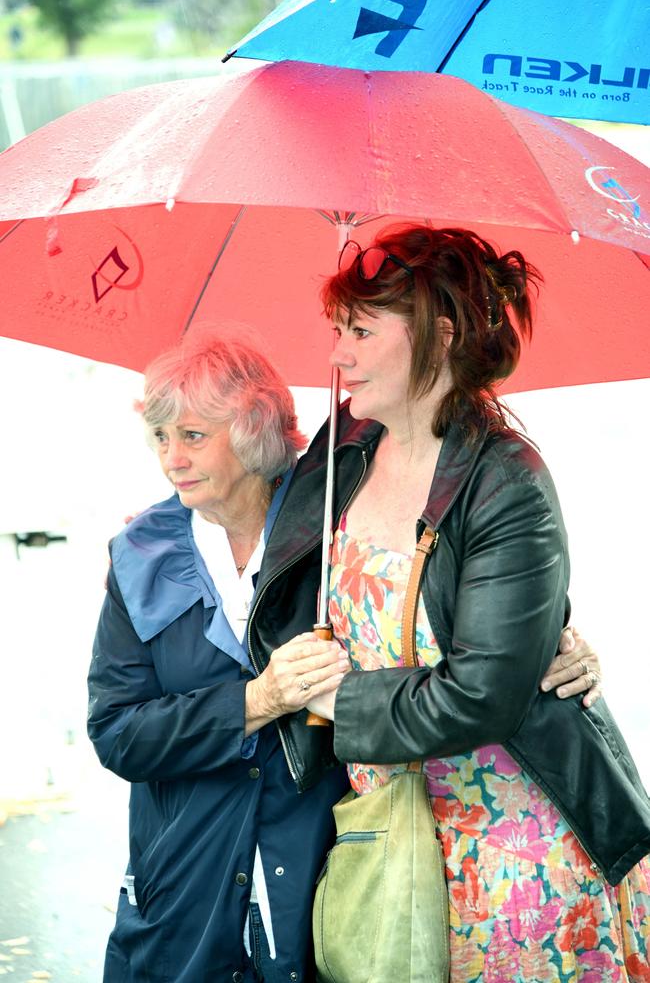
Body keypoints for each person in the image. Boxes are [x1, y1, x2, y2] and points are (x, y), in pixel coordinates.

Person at [88, 327, 603, 982]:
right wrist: (256, 701)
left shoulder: (333, 528)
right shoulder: (140, 558)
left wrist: (552, 648)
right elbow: (118, 732)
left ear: (250, 432)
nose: (170, 458)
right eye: (160, 437)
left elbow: (437, 620)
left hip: (321, 878)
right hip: (181, 887)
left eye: (192, 436)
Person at [248, 225, 650, 981]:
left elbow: (483, 698)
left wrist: (333, 699)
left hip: (513, 859)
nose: (338, 354)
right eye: (339, 329)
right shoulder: (347, 447)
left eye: (362, 331)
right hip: (384, 835)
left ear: (440, 334)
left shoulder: (508, 482)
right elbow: (276, 575)